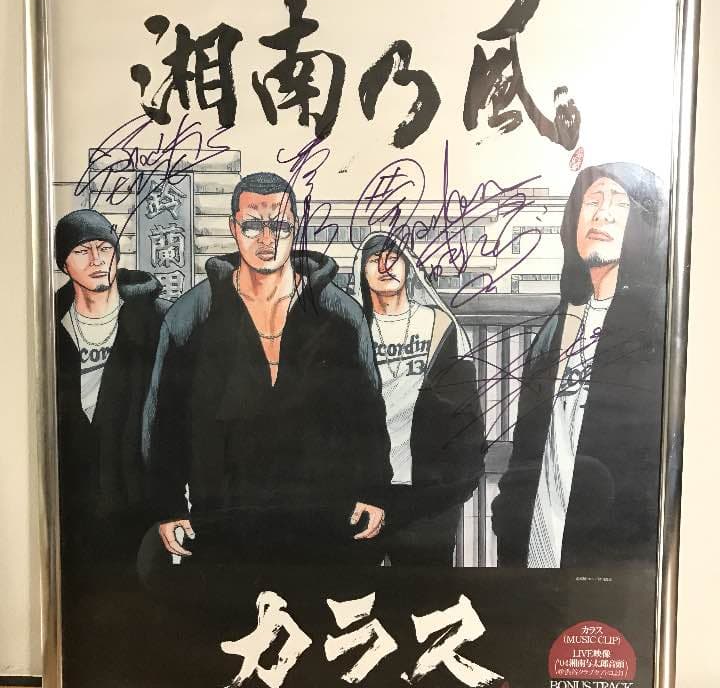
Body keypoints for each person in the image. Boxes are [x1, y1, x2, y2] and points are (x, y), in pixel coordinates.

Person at [141, 172, 391, 572]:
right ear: (233, 228)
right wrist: (168, 505)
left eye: (280, 226)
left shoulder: (340, 313)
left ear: (296, 228)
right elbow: (163, 418)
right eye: (253, 225)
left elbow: (368, 410)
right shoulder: (192, 314)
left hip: (322, 520)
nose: (267, 239)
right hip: (224, 521)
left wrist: (373, 489)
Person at [491, 162, 668, 568]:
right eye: (592, 201)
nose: (602, 213)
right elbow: (527, 448)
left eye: (619, 203)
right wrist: (508, 519)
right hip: (536, 548)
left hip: (608, 559)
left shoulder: (655, 330)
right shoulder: (556, 327)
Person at [54, 208, 169, 683]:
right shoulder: (48, 326)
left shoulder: (154, 319)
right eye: (83, 251)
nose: (97, 259)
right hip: (75, 504)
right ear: (64, 263)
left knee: (144, 621)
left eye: (105, 248)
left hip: (139, 500)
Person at [352, 232, 486, 566]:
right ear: (362, 272)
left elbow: (466, 413)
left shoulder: (440, 325)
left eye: (393, 258)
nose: (385, 266)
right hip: (366, 494)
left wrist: (454, 486)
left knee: (425, 592)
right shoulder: (352, 329)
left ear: (408, 267)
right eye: (374, 259)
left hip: (427, 498)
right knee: (356, 593)